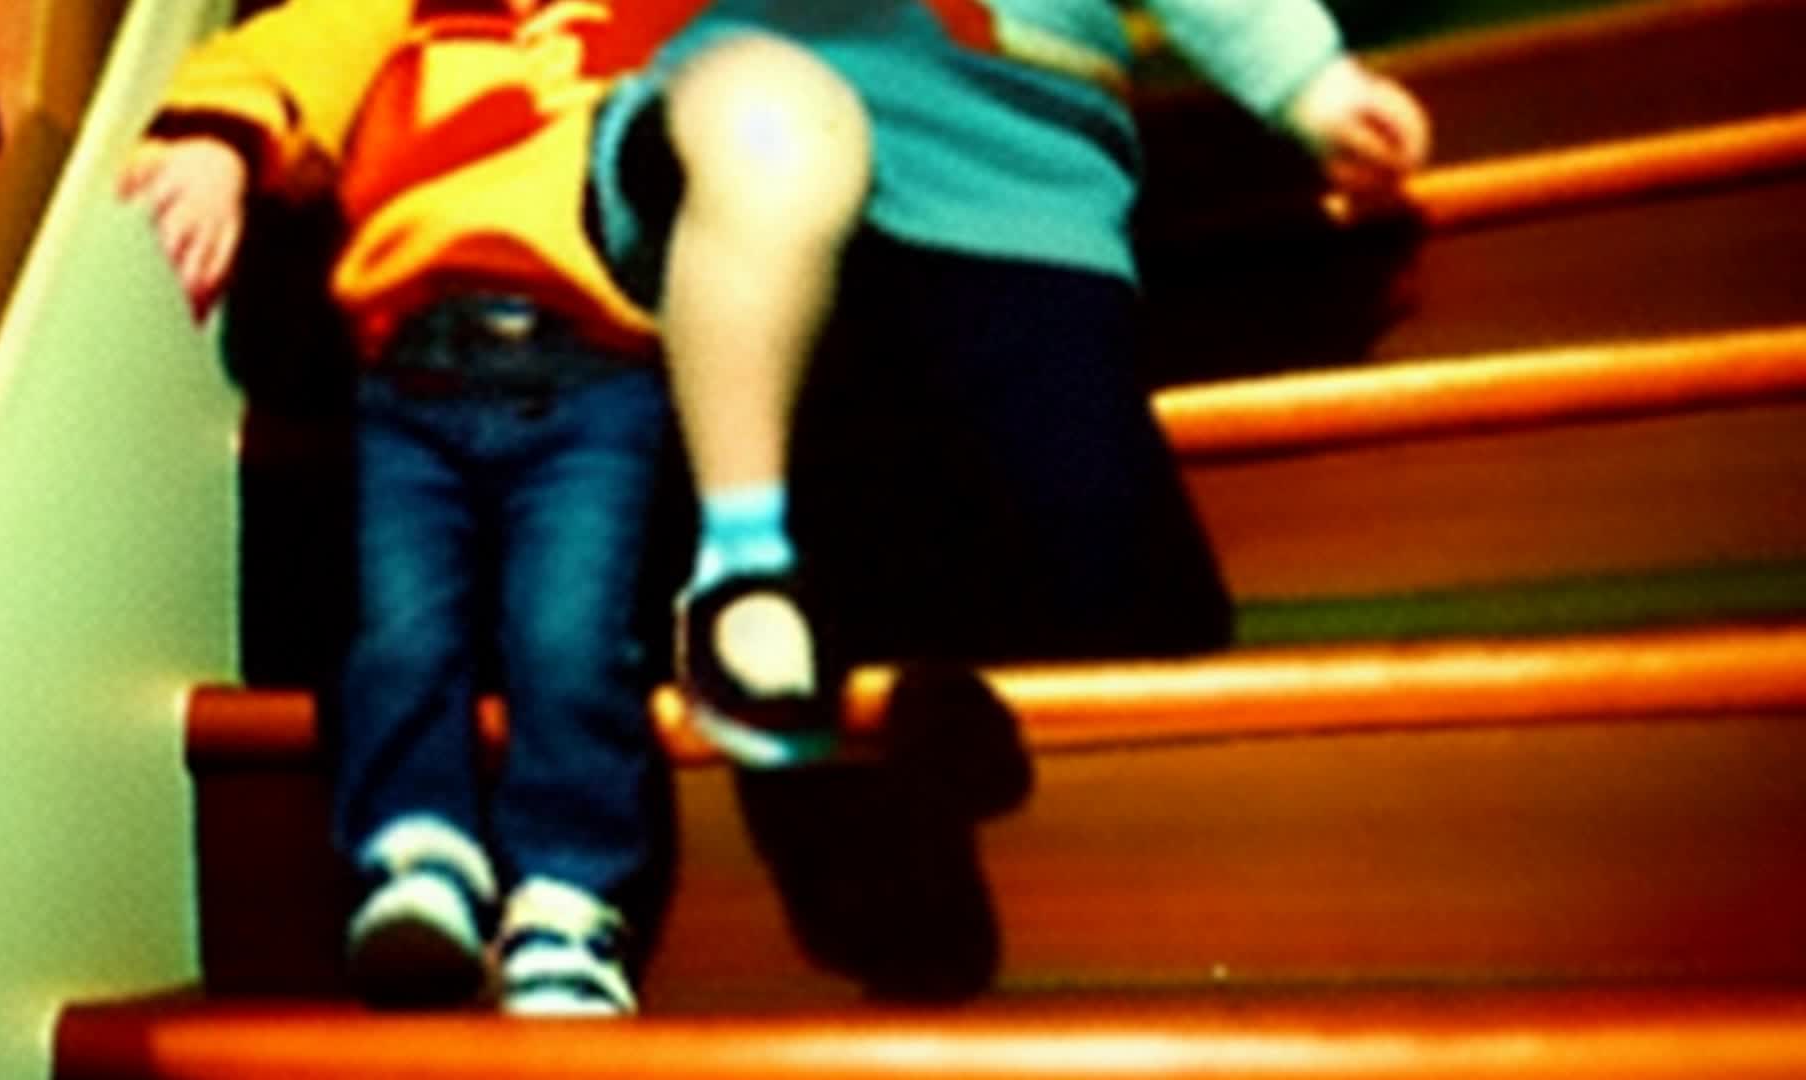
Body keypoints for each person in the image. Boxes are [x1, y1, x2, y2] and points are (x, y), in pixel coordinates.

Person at [584, 1, 1432, 767]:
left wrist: (1310, 81)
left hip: (1020, 182)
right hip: (745, 131)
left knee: (1126, 616)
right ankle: (741, 563)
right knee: (776, 142)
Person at [117, 0, 701, 1016]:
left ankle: (568, 900)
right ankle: (417, 855)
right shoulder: (403, 18)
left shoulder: (656, 24)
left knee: (571, 641)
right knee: (399, 634)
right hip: (409, 378)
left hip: (597, 378)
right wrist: (218, 141)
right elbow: (285, 55)